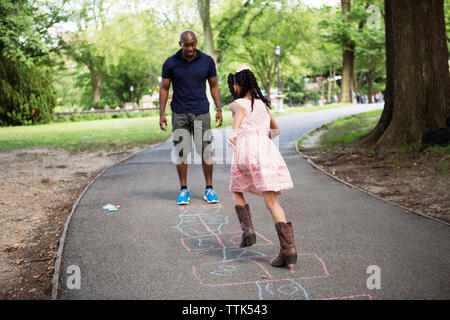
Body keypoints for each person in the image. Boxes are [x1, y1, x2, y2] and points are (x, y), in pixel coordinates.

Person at [226, 66, 297, 269]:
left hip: (246, 152)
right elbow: (275, 130)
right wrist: (260, 137)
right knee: (271, 200)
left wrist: (235, 131)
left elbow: (239, 112)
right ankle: (288, 248)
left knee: (236, 189)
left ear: (238, 84)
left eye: (234, 84)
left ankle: (247, 230)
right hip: (266, 151)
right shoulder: (263, 106)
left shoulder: (237, 103)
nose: (234, 88)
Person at [159, 31, 223, 205]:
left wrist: (219, 108)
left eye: (193, 44)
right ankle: (183, 189)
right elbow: (164, 88)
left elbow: (214, 85)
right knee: (181, 153)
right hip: (179, 113)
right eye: (187, 45)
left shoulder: (207, 61)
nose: (190, 48)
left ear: (196, 43)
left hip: (201, 112)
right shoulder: (170, 63)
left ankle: (209, 188)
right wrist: (162, 113)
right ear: (180, 44)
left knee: (206, 152)